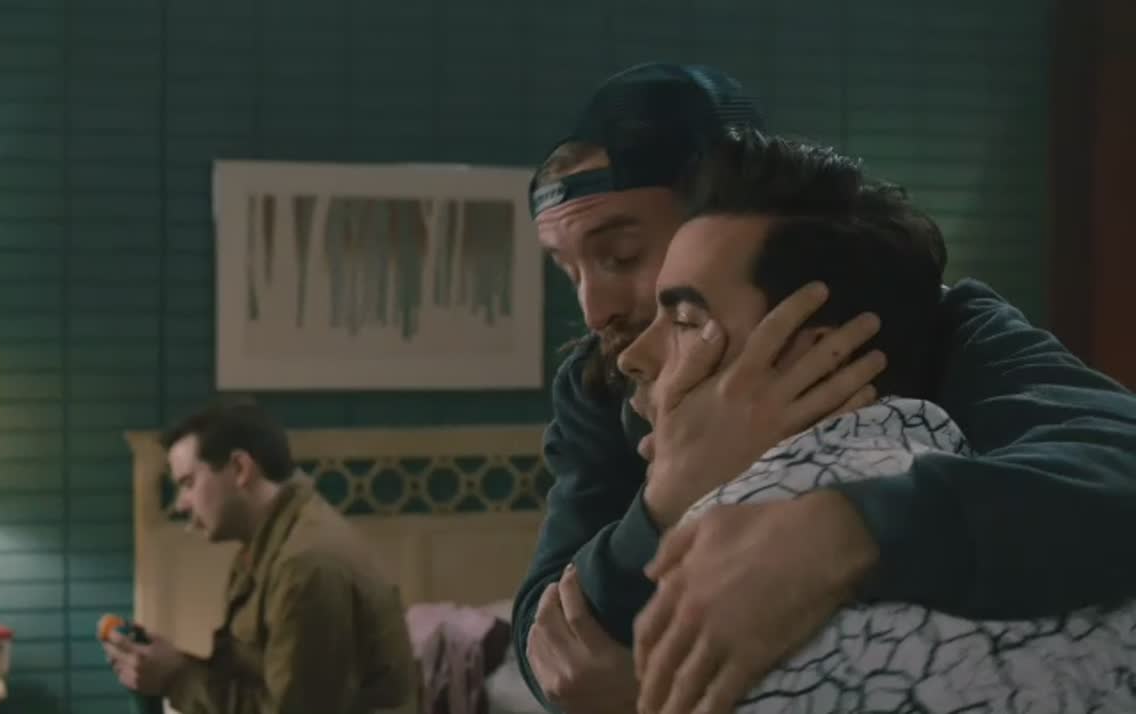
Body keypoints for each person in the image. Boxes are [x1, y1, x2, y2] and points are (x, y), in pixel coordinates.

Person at [513, 62, 1136, 714]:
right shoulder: (600, 381)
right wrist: (669, 496)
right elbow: (549, 640)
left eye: (621, 256)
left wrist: (849, 528)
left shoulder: (929, 322)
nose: (593, 310)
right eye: (568, 269)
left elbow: (1115, 461)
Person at [101, 402, 417, 714]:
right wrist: (167, 666)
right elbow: (247, 681)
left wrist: (177, 678)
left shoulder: (306, 566)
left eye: (188, 483)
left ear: (240, 469)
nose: (181, 504)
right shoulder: (264, 546)